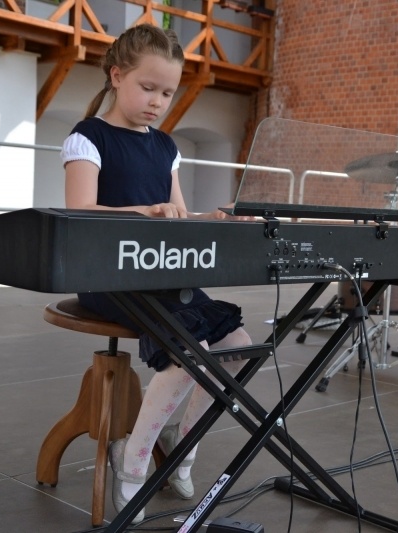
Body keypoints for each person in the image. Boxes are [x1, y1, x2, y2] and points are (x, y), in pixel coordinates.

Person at [60, 24, 253, 523]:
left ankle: (180, 442)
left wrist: (211, 219)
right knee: (192, 353)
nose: (157, 102)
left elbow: (178, 216)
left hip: (161, 270)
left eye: (167, 93)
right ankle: (132, 461)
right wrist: (142, 211)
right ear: (116, 75)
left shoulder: (166, 146)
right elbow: (79, 210)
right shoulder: (88, 137)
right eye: (148, 88)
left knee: (236, 349)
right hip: (111, 274)